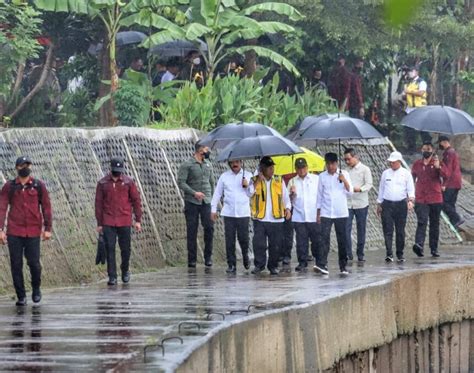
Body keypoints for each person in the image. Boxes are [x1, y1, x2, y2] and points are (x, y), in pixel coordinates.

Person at [0, 156, 52, 306]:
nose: (26, 168)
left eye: (28, 165)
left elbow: (46, 207)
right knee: (16, 264)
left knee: (34, 263)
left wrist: (47, 229)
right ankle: (21, 296)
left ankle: (36, 288)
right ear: (17, 168)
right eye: (23, 165)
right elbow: (2, 207)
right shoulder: (9, 187)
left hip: (33, 231)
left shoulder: (38, 186)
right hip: (14, 231)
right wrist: (1, 229)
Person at [95, 158, 142, 286]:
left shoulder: (128, 182)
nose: (117, 174)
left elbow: (136, 201)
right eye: (115, 171)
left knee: (125, 248)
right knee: (110, 248)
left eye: (119, 171)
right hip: (108, 220)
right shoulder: (103, 183)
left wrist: (137, 220)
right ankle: (112, 276)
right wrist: (99, 223)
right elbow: (98, 204)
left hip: (125, 220)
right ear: (111, 169)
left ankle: (125, 270)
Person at [249, 156, 291, 275]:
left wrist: (288, 209)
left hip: (276, 218)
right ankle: (259, 265)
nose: (272, 170)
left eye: (273, 167)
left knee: (276, 244)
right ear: (262, 168)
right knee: (259, 244)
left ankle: (273, 266)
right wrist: (258, 181)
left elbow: (285, 197)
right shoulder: (254, 180)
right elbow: (249, 193)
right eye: (269, 167)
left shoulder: (279, 180)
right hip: (260, 218)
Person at [210, 160, 252, 273]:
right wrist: (213, 209)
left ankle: (245, 256)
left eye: (237, 162)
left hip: (243, 212)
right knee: (230, 240)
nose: (235, 164)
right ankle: (231, 264)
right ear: (229, 163)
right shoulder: (224, 176)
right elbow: (217, 193)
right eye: (232, 162)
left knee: (243, 238)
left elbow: (252, 193)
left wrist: (247, 186)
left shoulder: (248, 175)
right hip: (229, 213)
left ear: (241, 162)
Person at [177, 143, 215, 268]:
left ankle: (208, 257)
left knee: (209, 228)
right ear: (200, 150)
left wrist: (212, 200)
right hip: (192, 202)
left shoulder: (208, 165)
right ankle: (192, 259)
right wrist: (194, 193)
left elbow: (211, 183)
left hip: (206, 202)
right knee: (192, 230)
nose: (208, 150)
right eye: (206, 148)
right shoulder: (187, 165)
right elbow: (181, 183)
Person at [315, 153, 353, 275]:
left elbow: (350, 192)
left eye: (332, 164)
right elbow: (319, 195)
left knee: (342, 239)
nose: (330, 166)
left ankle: (343, 266)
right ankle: (322, 264)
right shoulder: (322, 176)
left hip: (340, 212)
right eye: (328, 164)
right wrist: (318, 213)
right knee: (323, 238)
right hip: (326, 212)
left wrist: (344, 180)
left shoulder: (344, 174)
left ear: (337, 163)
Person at [376, 151, 415, 263]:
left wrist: (411, 200)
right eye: (390, 162)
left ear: (399, 162)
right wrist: (379, 203)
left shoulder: (406, 173)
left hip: (401, 204)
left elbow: (410, 189)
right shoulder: (385, 173)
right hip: (387, 204)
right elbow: (381, 189)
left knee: (400, 230)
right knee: (387, 229)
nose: (391, 164)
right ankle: (389, 253)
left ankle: (400, 253)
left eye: (393, 162)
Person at [411, 142, 447, 258]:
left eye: (428, 149)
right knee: (422, 221)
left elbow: (446, 175)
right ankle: (419, 245)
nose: (425, 151)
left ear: (432, 150)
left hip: (435, 198)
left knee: (434, 224)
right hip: (421, 198)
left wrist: (438, 167)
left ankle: (434, 248)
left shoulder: (438, 162)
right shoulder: (417, 164)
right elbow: (412, 178)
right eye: (424, 149)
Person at [288, 158, 320, 272]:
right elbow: (289, 201)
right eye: (299, 168)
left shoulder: (316, 179)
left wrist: (320, 212)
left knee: (316, 240)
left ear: (307, 167)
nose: (301, 170)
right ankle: (302, 262)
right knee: (301, 241)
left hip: (313, 214)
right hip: (299, 215)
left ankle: (319, 261)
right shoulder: (292, 181)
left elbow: (320, 196)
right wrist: (291, 194)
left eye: (303, 168)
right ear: (296, 169)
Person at [343, 148, 373, 262]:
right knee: (346, 228)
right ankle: (348, 253)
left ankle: (360, 253)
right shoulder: (345, 171)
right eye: (345, 159)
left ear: (356, 157)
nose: (347, 162)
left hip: (361, 202)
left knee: (361, 229)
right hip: (348, 203)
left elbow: (369, 184)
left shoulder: (365, 169)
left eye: (349, 159)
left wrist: (360, 189)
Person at [438, 136, 464, 228]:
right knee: (451, 204)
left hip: (451, 183)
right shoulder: (453, 152)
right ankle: (455, 224)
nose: (439, 145)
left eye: (440, 143)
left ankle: (457, 218)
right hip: (457, 182)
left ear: (443, 142)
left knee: (443, 202)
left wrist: (444, 184)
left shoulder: (449, 153)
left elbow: (448, 171)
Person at [403, 65, 430, 151]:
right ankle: (411, 148)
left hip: (420, 109)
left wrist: (408, 91)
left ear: (417, 72)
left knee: (422, 129)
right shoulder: (410, 83)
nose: (410, 73)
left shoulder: (421, 82)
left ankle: (428, 146)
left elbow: (421, 93)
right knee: (409, 129)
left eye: (412, 71)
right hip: (410, 109)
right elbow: (406, 95)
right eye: (409, 71)